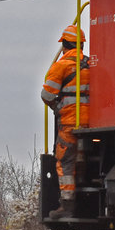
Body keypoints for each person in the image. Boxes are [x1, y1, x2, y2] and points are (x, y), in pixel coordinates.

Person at [41, 23, 90, 219]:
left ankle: (68, 204)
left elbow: (46, 94)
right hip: (89, 123)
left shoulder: (60, 66)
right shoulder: (91, 65)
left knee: (64, 161)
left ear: (65, 45)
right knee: (81, 159)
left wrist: (57, 108)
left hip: (69, 122)